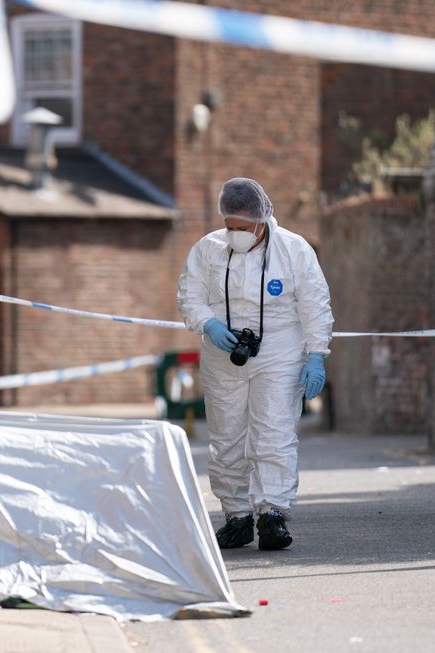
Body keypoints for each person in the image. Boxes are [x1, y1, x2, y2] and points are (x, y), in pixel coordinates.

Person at [177, 178, 333, 551]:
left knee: (274, 433)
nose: (234, 234)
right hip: (222, 354)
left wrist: (316, 354)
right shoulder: (208, 250)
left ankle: (273, 514)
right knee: (226, 438)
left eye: (243, 228)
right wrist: (208, 323)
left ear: (262, 221)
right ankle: (237, 516)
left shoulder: (293, 250)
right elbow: (189, 295)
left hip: (280, 350)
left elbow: (315, 303)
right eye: (229, 227)